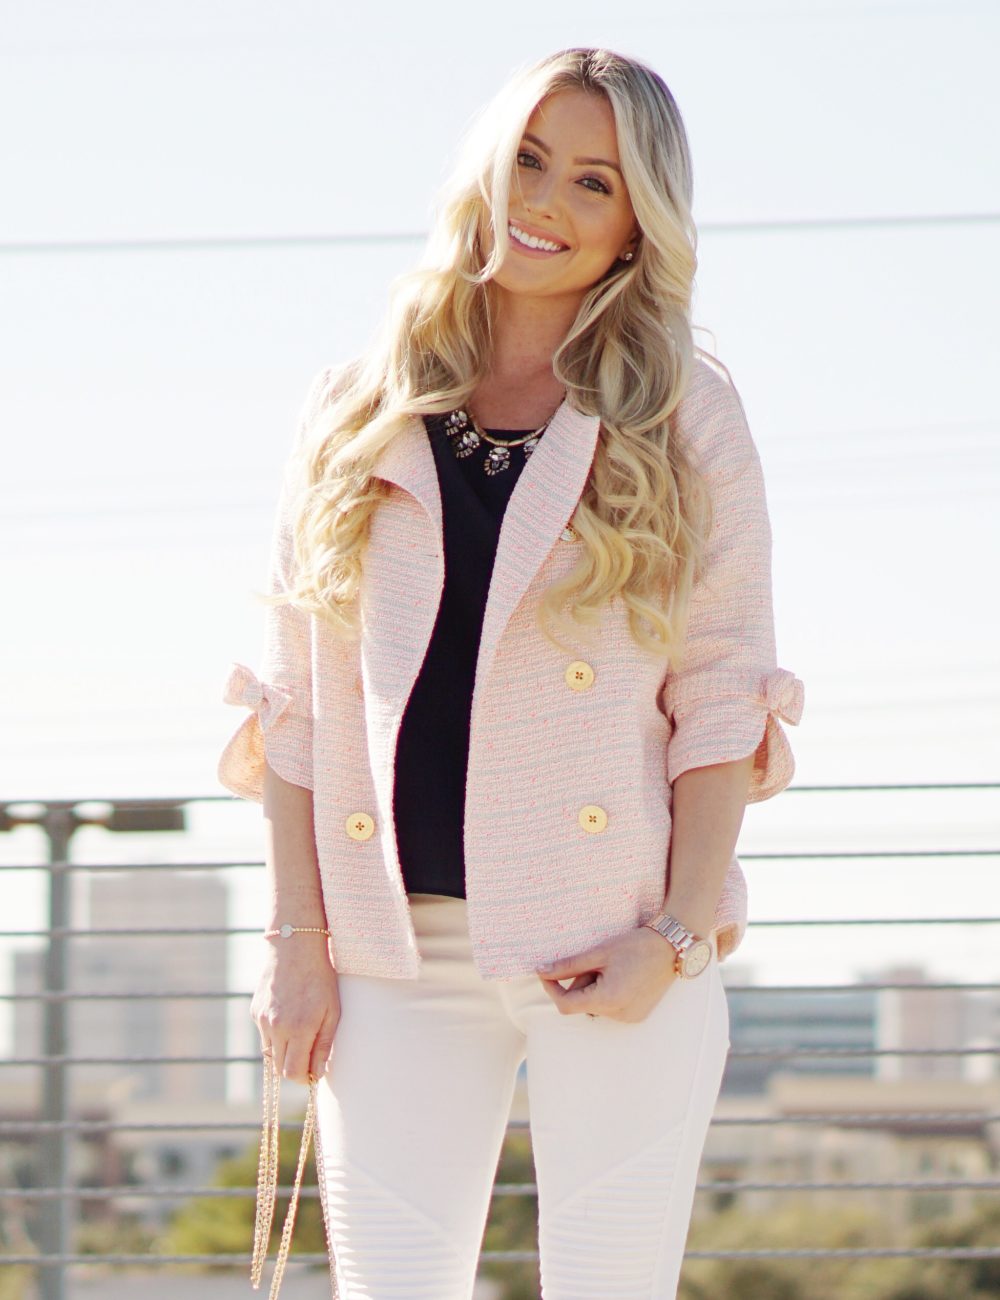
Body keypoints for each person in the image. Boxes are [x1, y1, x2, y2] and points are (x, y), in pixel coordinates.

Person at [218, 45, 804, 1300]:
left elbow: (721, 692)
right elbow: (295, 699)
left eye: (593, 182)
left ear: (637, 222)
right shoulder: (353, 406)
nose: (542, 203)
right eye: (527, 161)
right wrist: (295, 938)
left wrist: (674, 935)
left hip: (613, 937)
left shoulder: (682, 412)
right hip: (392, 944)